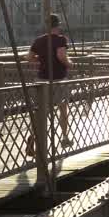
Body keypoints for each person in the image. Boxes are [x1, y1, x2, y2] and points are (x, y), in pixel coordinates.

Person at [28, 13, 72, 146]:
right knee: (63, 108)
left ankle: (33, 136)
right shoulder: (61, 39)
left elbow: (29, 57)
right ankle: (64, 138)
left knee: (40, 110)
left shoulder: (38, 40)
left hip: (41, 80)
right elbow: (61, 56)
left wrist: (41, 59)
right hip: (58, 79)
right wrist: (70, 63)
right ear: (58, 26)